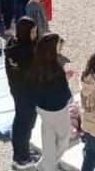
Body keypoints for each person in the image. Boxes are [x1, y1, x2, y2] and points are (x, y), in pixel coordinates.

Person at [29, 33, 73, 171]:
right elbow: (63, 93)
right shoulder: (56, 69)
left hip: (41, 107)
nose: (61, 46)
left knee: (48, 139)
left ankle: (44, 166)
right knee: (63, 139)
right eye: (59, 44)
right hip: (57, 110)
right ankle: (48, 166)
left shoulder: (35, 64)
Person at [5, 16, 39, 170]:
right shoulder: (27, 52)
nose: (35, 35)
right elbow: (36, 74)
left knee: (19, 122)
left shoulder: (12, 42)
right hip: (28, 93)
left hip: (16, 89)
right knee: (26, 124)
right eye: (32, 32)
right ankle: (22, 158)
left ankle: (20, 152)